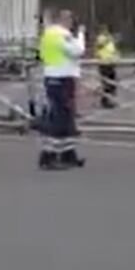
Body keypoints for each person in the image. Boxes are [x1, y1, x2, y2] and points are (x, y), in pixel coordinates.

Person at [37, 9, 87, 170]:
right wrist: (80, 35)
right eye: (71, 20)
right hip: (62, 78)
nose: (72, 24)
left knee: (64, 117)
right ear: (65, 20)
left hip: (53, 76)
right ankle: (49, 155)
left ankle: (67, 153)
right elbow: (77, 51)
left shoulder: (48, 34)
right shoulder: (61, 34)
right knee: (60, 118)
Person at [94, 27, 120, 110]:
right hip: (104, 64)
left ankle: (110, 100)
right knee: (107, 84)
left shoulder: (110, 40)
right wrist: (108, 40)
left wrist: (117, 57)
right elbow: (99, 45)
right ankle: (105, 101)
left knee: (112, 84)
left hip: (111, 63)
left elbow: (113, 51)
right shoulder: (101, 38)